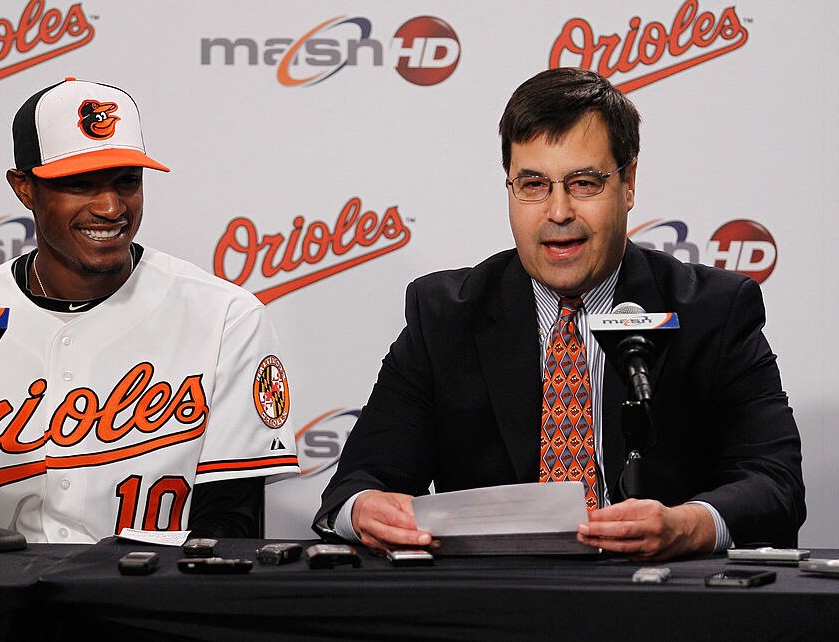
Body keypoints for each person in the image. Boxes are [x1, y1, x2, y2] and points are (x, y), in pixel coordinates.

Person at [314, 67, 804, 560]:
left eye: (584, 183)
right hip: (493, 605)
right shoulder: (445, 315)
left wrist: (687, 525)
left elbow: (775, 484)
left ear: (628, 183)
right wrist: (365, 508)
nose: (558, 212)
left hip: (656, 602)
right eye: (533, 184)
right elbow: (357, 484)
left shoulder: (713, 311)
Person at [0, 78, 299, 541]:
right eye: (79, 184)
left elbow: (231, 522)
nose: (110, 207)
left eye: (127, 182)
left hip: (159, 598)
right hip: (3, 602)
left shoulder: (224, 317)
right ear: (24, 188)